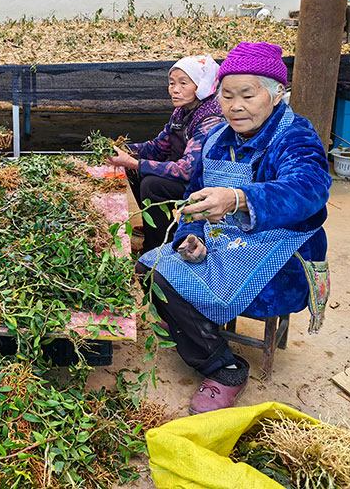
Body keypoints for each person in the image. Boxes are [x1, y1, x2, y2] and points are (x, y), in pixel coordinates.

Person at [136, 42, 331, 414]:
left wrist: (240, 198)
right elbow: (193, 197)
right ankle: (218, 356)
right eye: (227, 95)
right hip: (223, 241)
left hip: (281, 251)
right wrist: (188, 237)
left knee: (178, 284)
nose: (235, 106)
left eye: (247, 94)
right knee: (152, 267)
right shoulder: (217, 139)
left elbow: (309, 189)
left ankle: (224, 371)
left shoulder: (295, 137)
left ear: (276, 95)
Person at [107, 54, 224, 252]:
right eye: (171, 83)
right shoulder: (181, 111)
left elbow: (187, 170)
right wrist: (125, 151)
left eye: (183, 83)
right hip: (183, 177)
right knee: (136, 172)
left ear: (200, 86)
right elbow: (158, 147)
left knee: (153, 185)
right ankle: (153, 226)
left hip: (203, 185)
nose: (174, 90)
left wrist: (134, 163)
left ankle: (158, 246)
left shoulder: (210, 119)